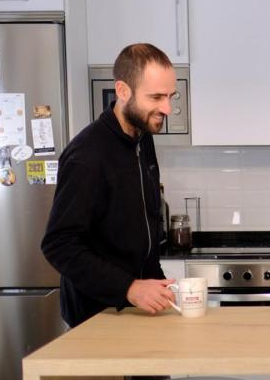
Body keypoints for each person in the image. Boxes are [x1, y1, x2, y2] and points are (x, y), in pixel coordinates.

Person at [42, 42, 177, 333]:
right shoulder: (87, 156)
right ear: (122, 90)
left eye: (170, 96)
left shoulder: (142, 138)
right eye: (156, 97)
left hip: (139, 309)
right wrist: (129, 288)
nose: (166, 108)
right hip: (96, 316)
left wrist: (156, 285)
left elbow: (141, 225)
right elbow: (59, 245)